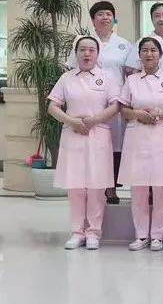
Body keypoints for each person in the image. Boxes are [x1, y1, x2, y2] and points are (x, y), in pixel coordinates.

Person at [49, 36, 120, 250]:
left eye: (91, 50)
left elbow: (115, 105)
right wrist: (72, 121)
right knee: (76, 186)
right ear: (76, 53)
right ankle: (77, 232)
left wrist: (94, 120)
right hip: (73, 135)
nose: (86, 54)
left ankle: (93, 232)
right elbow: (53, 107)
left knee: (96, 186)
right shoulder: (67, 78)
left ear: (98, 54)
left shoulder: (107, 77)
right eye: (82, 50)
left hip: (98, 134)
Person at [118, 36, 163, 251]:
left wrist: (159, 114)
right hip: (136, 135)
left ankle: (157, 236)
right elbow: (123, 109)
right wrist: (138, 114)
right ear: (139, 55)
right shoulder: (132, 80)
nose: (149, 54)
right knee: (138, 188)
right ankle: (141, 235)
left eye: (153, 50)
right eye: (144, 50)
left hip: (161, 135)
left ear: (160, 54)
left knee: (161, 187)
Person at [68, 1, 132, 205]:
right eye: (100, 14)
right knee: (92, 146)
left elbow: (130, 74)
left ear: (114, 18)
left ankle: (111, 188)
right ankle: (91, 187)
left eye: (108, 14)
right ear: (93, 19)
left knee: (114, 146)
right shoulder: (84, 42)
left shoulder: (124, 44)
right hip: (89, 103)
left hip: (115, 104)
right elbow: (72, 71)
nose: (105, 17)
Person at [126, 3, 163, 156]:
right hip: (142, 94)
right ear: (151, 19)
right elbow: (132, 69)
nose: (161, 19)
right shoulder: (142, 41)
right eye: (157, 16)